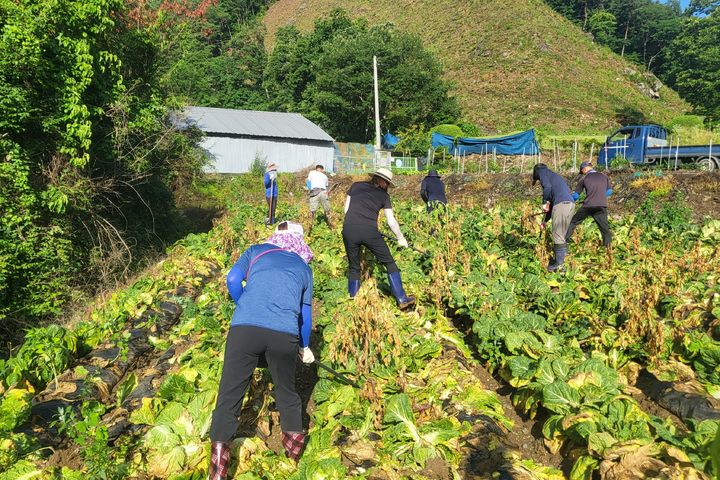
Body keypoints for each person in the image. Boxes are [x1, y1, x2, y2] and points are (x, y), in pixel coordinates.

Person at [207, 222, 314, 479]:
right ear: (298, 242)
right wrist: (305, 345)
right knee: (287, 390)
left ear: (275, 237)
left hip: (244, 330)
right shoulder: (303, 267)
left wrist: (244, 303)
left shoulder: (255, 251)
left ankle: (218, 471)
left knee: (229, 394)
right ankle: (292, 461)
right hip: (283, 334)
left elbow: (232, 278)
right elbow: (305, 314)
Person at [342, 168, 415, 309]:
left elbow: (346, 210)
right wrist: (400, 238)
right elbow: (391, 221)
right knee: (389, 263)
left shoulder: (356, 186)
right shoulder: (384, 196)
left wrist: (356, 223)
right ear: (382, 181)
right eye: (387, 183)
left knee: (354, 267)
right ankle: (402, 299)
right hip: (369, 231)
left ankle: (354, 303)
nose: (387, 186)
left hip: (349, 229)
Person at [532, 163, 575, 272]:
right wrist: (545, 221)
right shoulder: (553, 176)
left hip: (562, 204)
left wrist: (544, 202)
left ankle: (559, 265)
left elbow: (547, 187)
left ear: (536, 173)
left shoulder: (542, 172)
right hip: (569, 204)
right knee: (561, 233)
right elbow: (551, 208)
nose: (539, 182)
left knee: (557, 234)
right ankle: (562, 262)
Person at [565, 161, 613, 248]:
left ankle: (564, 242)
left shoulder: (584, 179)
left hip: (588, 206)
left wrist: (568, 202)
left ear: (585, 169)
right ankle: (608, 248)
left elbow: (575, 196)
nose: (582, 173)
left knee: (573, 222)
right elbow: (609, 191)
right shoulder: (604, 176)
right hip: (601, 205)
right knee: (604, 228)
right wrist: (600, 196)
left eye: (582, 171)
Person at [306, 165, 334, 230]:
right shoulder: (325, 176)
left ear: (316, 169)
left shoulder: (311, 172)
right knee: (327, 209)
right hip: (323, 192)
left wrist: (310, 189)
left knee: (312, 210)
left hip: (314, 192)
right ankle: (330, 225)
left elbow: (308, 181)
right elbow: (326, 187)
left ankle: (310, 226)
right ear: (322, 170)